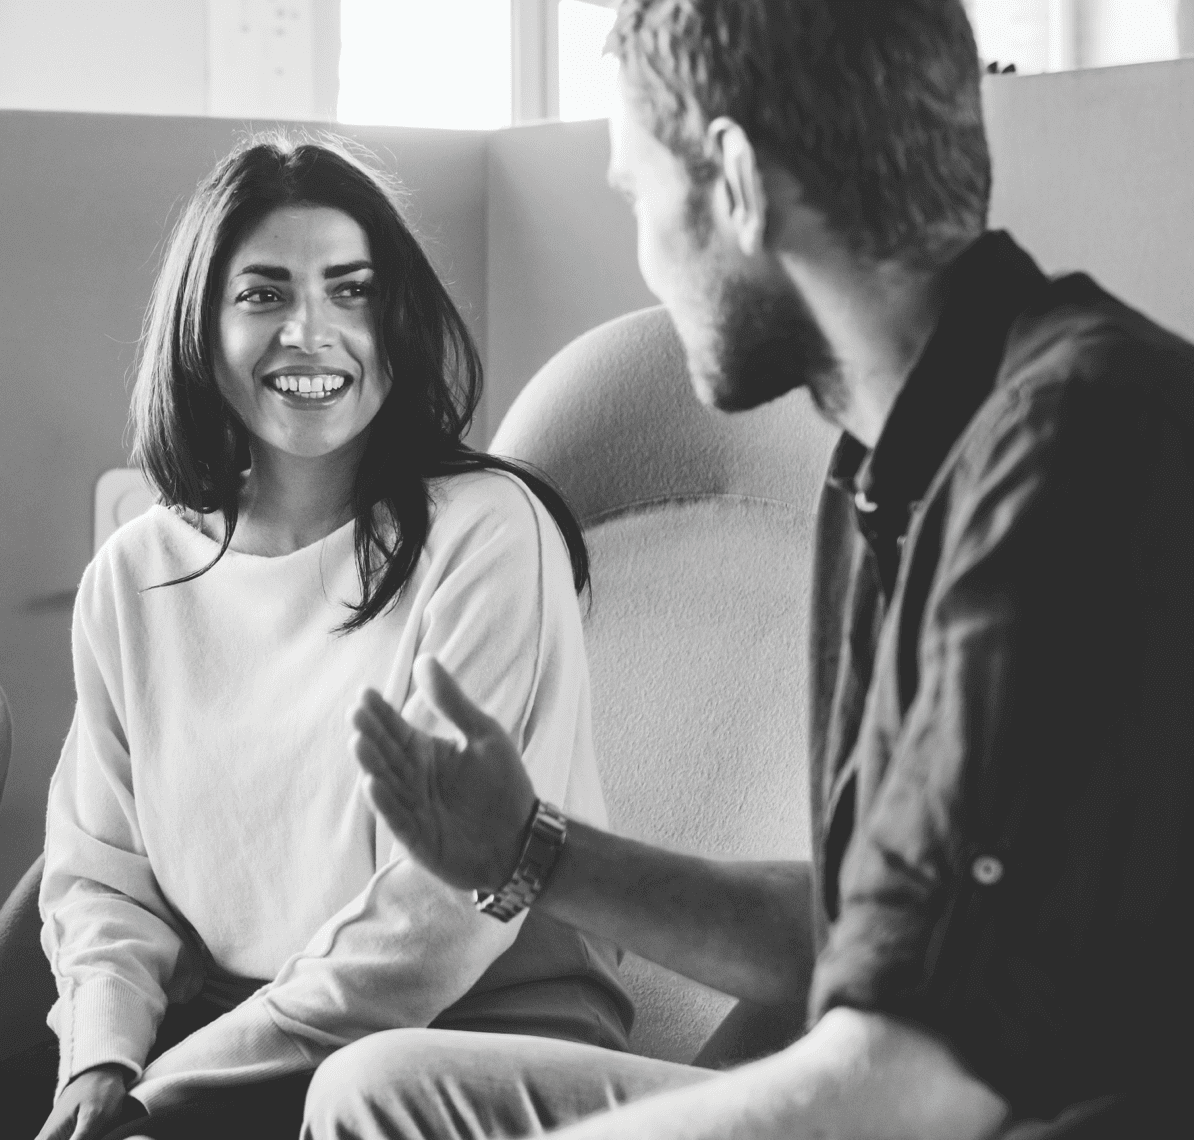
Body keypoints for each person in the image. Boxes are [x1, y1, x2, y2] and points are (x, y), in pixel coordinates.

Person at [302, 2, 1194, 1138]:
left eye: (637, 194)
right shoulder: (890, 465)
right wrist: (530, 852)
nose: (641, 252)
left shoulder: (1074, 451)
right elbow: (864, 932)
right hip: (914, 1085)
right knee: (382, 1090)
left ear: (735, 181)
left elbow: (906, 1092)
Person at [9, 137, 632, 1140]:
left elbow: (438, 919)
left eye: (352, 291)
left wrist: (169, 1086)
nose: (312, 331)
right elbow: (99, 875)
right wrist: (103, 1063)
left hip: (472, 1038)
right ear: (200, 329)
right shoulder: (135, 573)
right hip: (230, 1029)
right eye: (263, 295)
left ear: (399, 322)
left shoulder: (489, 532)